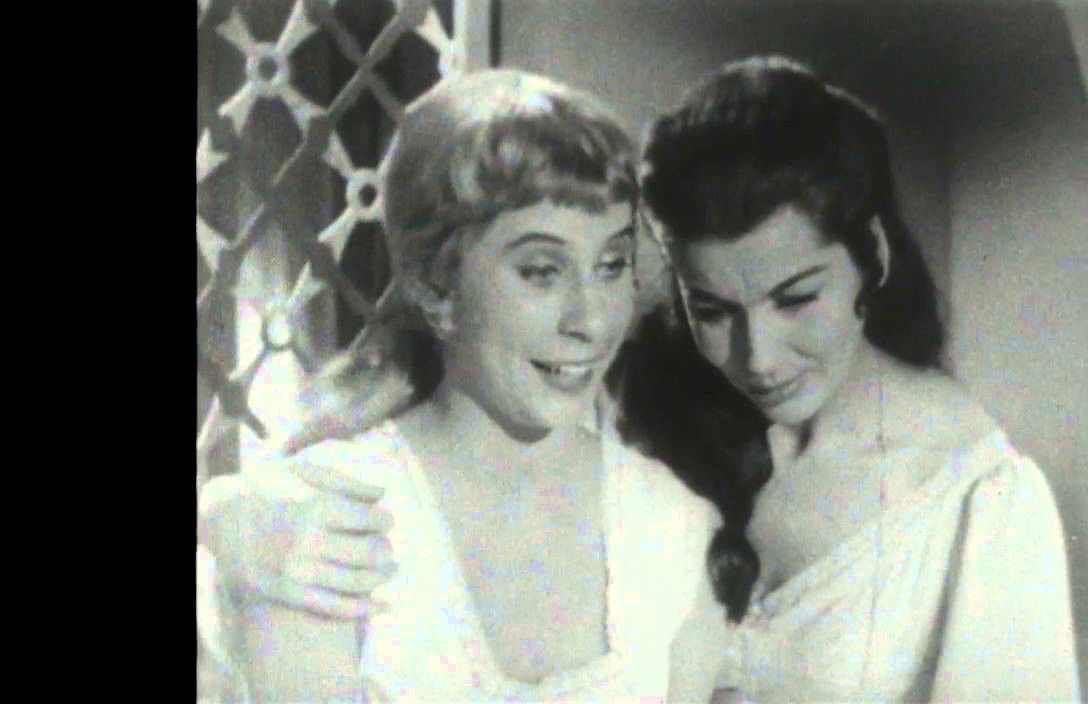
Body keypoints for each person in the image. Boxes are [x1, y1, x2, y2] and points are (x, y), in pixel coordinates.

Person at [196, 68, 731, 703]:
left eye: (611, 265)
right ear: (435, 286)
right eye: (541, 271)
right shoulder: (319, 523)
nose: (590, 320)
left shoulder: (670, 525)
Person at [631, 55, 1081, 702]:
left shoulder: (975, 498)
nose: (758, 359)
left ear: (873, 256)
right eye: (713, 310)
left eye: (796, 299)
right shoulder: (656, 433)